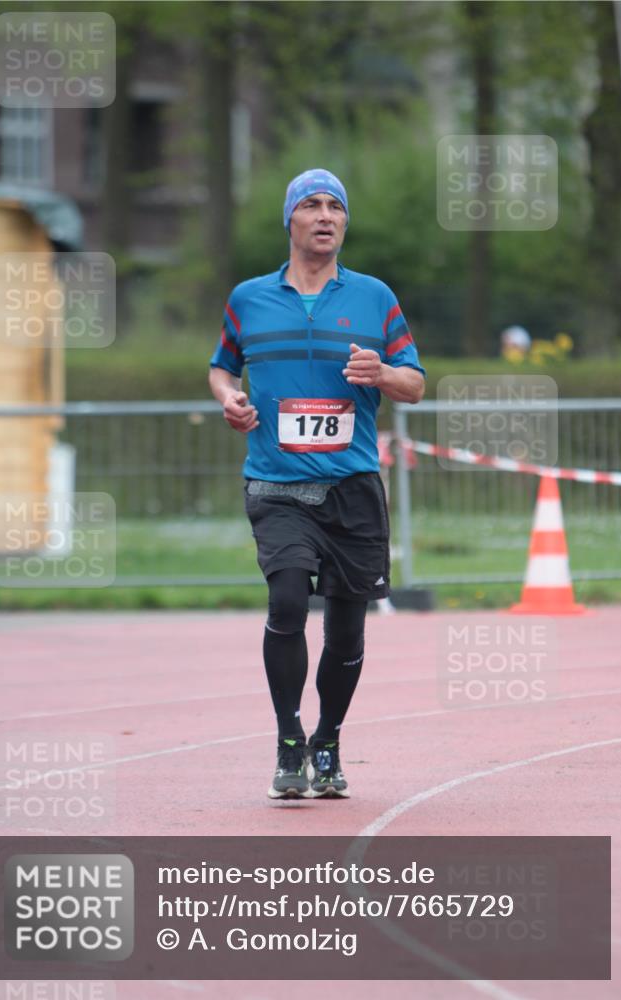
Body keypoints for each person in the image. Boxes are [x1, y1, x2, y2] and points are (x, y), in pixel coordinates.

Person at [209, 168, 425, 800]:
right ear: (291, 221)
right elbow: (221, 368)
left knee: (348, 630)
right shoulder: (249, 298)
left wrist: (382, 372)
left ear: (344, 223)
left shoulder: (374, 296)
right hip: (276, 483)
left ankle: (327, 740)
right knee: (284, 602)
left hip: (352, 485)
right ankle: (286, 737)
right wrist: (230, 398)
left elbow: (415, 382)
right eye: (312, 205)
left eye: (336, 206)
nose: (326, 215)